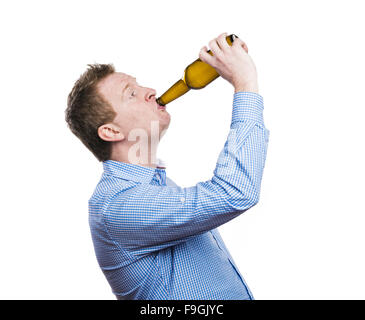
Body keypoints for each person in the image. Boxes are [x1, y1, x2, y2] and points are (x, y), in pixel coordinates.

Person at [65, 32, 270, 300]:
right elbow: (236, 192)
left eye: (140, 86)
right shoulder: (118, 206)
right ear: (111, 131)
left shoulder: (157, 186)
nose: (150, 91)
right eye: (132, 94)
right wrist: (245, 83)